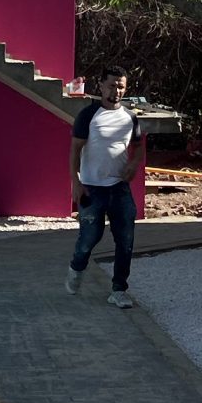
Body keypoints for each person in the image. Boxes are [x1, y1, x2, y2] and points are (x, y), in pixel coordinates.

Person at [66, 68, 143, 308]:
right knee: (89, 238)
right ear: (101, 86)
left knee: (125, 240)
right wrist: (75, 182)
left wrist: (133, 164)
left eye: (120, 86)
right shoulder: (88, 115)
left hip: (119, 189)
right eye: (112, 85)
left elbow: (139, 146)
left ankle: (119, 290)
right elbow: (75, 151)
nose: (116, 91)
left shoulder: (130, 118)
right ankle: (77, 267)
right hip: (92, 189)